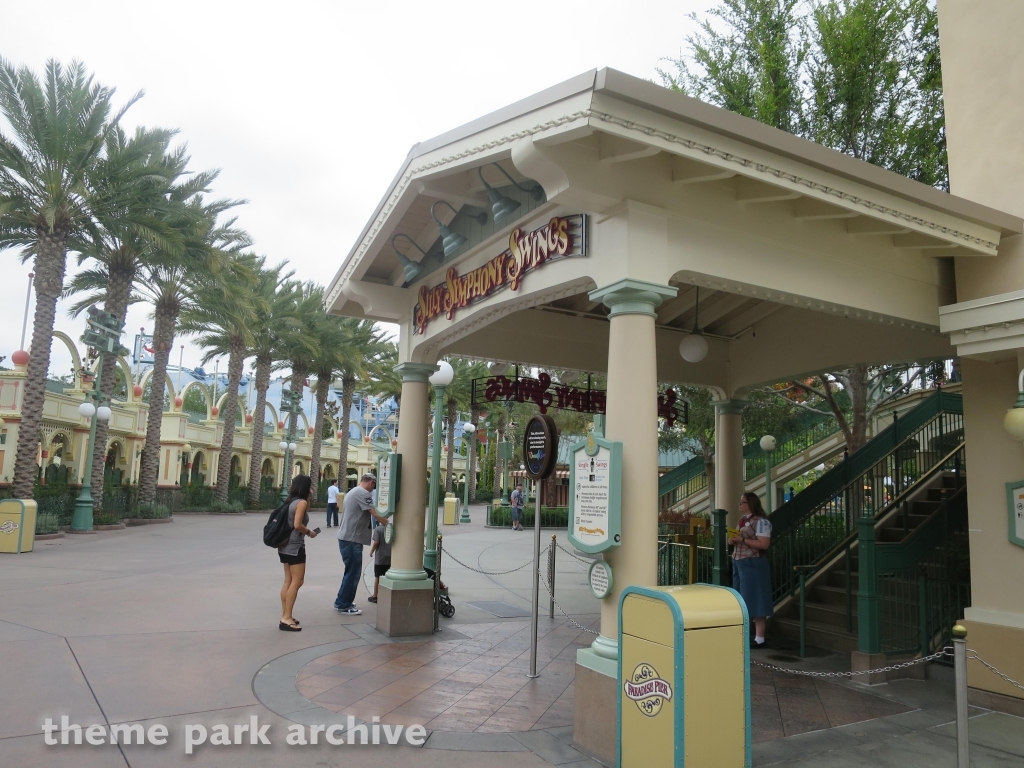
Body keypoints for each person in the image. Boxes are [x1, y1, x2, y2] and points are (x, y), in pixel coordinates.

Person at [334, 473, 387, 615]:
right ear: (371, 482)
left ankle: (341, 600)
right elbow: (374, 513)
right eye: (374, 485)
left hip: (347, 538)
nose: (373, 489)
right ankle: (344, 606)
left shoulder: (354, 491)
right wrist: (389, 524)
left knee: (349, 571)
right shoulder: (363, 493)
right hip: (352, 539)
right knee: (353, 573)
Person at [728, 492, 772, 649]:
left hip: (753, 563)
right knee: (742, 598)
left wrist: (743, 540)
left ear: (751, 504)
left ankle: (759, 637)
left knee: (756, 598)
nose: (740, 505)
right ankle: (746, 634)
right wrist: (733, 540)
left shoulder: (761, 522)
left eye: (743, 502)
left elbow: (764, 544)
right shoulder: (742, 521)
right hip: (739, 561)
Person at [278, 474, 317, 631]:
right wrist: (309, 532)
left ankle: (285, 615)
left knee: (288, 580)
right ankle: (286, 618)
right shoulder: (301, 503)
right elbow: (297, 525)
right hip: (295, 547)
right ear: (306, 487)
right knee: (297, 581)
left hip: (285, 546)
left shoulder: (291, 501)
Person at [367, 520, 391, 603]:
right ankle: (385, 595)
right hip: (390, 556)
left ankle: (375, 596)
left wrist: (372, 551)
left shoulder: (378, 530)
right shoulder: (390, 529)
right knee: (387, 577)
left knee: (377, 576)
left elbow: (376, 542)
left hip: (380, 557)